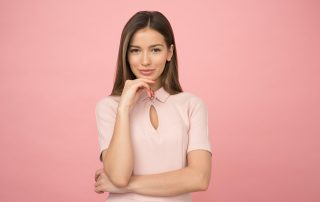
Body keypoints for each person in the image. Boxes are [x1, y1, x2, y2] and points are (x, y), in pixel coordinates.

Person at [94, 11, 212, 202]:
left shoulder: (191, 105)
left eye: (155, 50)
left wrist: (126, 186)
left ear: (170, 52)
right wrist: (123, 109)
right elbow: (118, 175)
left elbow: (199, 178)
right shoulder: (109, 107)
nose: (145, 61)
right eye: (135, 50)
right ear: (126, 55)